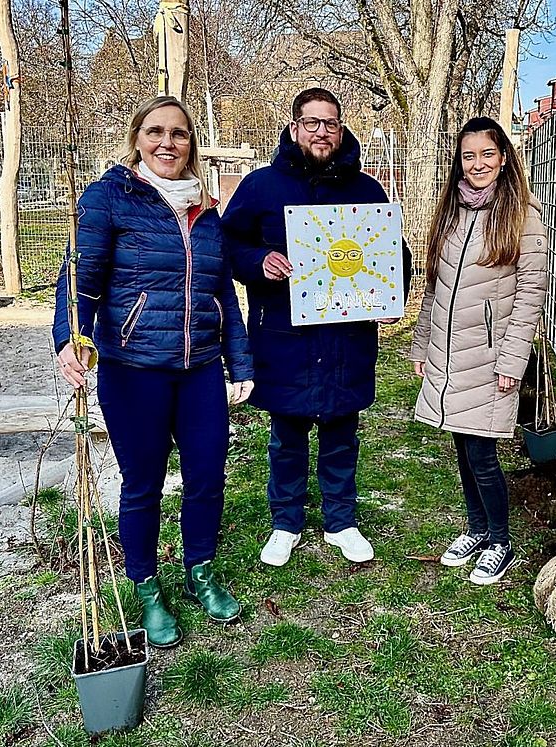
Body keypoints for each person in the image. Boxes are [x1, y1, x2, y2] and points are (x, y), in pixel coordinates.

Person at [52, 95, 253, 648]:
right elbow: (80, 277)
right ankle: (145, 586)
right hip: (134, 369)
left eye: (179, 133)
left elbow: (223, 295)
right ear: (137, 138)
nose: (168, 142)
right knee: (142, 484)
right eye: (156, 131)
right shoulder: (109, 198)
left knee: (208, 476)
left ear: (191, 144)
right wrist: (71, 336)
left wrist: (240, 360)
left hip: (200, 372)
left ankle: (200, 570)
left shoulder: (207, 211)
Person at [222, 87, 411, 567]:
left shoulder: (365, 190)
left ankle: (341, 521)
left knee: (342, 433)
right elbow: (226, 244)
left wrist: (392, 293)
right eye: (312, 123)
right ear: (293, 127)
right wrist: (258, 260)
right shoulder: (261, 186)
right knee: (286, 435)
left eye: (330, 123)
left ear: (341, 128)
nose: (322, 132)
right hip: (284, 334)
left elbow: (394, 252)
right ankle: (285, 523)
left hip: (345, 338)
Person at [409, 116, 549, 585]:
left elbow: (531, 290)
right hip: (448, 352)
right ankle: (476, 530)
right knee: (462, 448)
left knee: (482, 453)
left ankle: (500, 541)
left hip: (490, 358)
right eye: (469, 156)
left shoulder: (522, 214)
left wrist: (513, 360)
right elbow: (435, 283)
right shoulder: (452, 209)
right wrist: (423, 342)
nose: (477, 164)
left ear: (504, 158)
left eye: (487, 154)